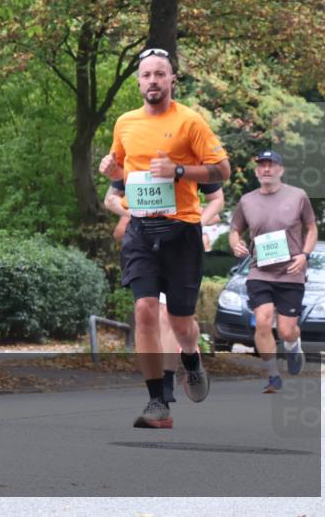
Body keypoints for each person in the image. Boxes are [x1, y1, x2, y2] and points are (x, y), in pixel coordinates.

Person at [99, 47, 230, 429]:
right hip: (141, 230)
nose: (153, 80)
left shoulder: (190, 121)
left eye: (160, 74)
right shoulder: (125, 122)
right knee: (144, 309)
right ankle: (158, 402)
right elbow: (121, 172)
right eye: (146, 75)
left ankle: (191, 356)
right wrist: (111, 169)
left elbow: (222, 169)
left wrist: (179, 171)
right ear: (138, 82)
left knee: (181, 321)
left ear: (172, 79)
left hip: (181, 230)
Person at [104, 179, 225, 404]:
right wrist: (139, 215)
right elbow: (118, 228)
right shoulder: (136, 176)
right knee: (155, 314)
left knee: (179, 322)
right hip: (148, 254)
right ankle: (163, 386)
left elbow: (216, 208)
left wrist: (190, 220)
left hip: (182, 251)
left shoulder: (188, 169)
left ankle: (190, 357)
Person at [229, 150, 317, 393]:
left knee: (287, 331)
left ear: (281, 170)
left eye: (272, 165)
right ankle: (272, 374)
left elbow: (311, 228)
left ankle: (293, 345)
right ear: (257, 171)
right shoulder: (247, 201)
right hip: (260, 272)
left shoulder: (298, 196)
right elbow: (235, 229)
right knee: (263, 321)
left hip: (291, 271)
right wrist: (235, 243)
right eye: (262, 165)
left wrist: (304, 255)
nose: (266, 169)